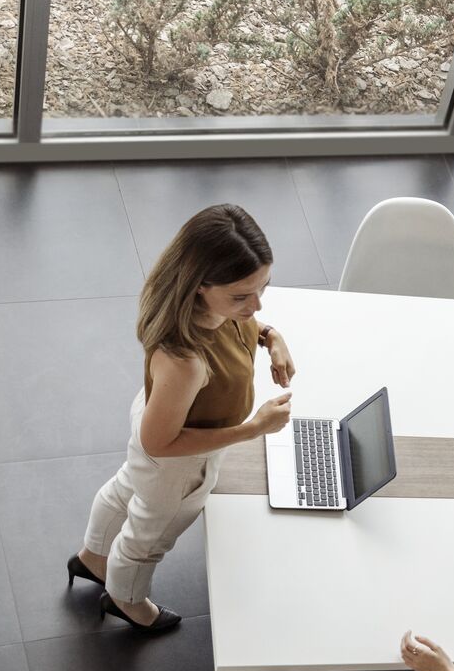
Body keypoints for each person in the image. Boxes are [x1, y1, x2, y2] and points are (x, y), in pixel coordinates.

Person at [70, 205, 294, 632]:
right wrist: (255, 428)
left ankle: (92, 558)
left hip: (159, 414)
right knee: (148, 536)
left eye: (263, 286)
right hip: (179, 457)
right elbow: (160, 444)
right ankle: (125, 599)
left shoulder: (211, 312)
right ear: (200, 287)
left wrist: (271, 337)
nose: (256, 303)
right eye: (241, 296)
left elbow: (245, 322)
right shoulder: (186, 362)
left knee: (127, 488)